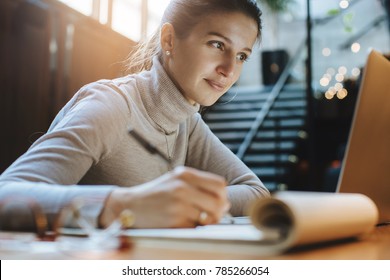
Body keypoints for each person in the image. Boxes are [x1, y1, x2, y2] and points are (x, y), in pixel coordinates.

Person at [0, 0, 269, 231]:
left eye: (242, 56)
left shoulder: (188, 122)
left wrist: (187, 201)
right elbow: (6, 195)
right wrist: (124, 206)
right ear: (169, 40)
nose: (229, 69)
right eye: (217, 44)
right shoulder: (111, 105)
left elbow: (257, 194)